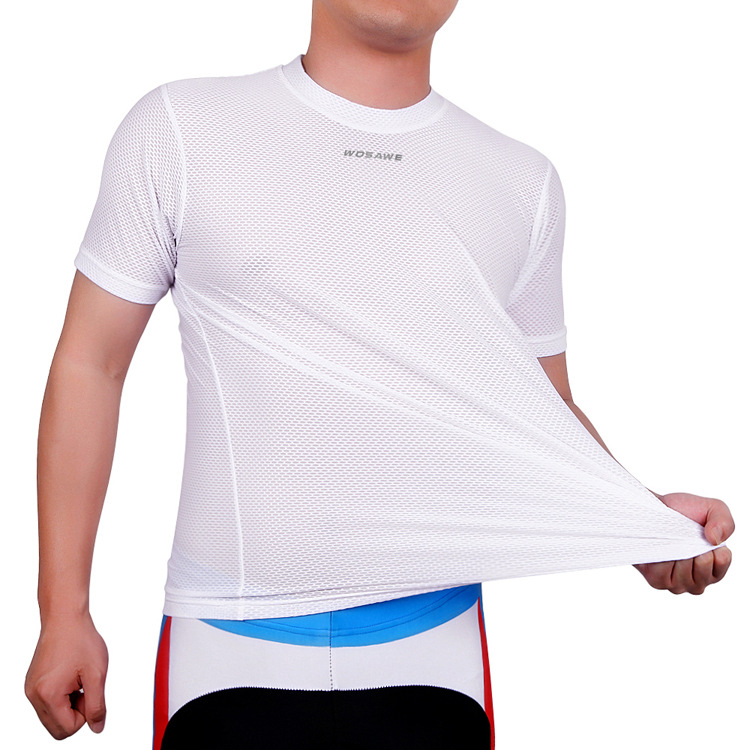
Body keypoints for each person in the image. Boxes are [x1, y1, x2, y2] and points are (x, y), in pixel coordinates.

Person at [25, 1, 734, 748]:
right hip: (229, 642)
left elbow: (542, 412)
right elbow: (92, 363)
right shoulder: (181, 129)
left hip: (434, 653)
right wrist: (64, 611)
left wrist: (641, 520)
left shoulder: (521, 182)